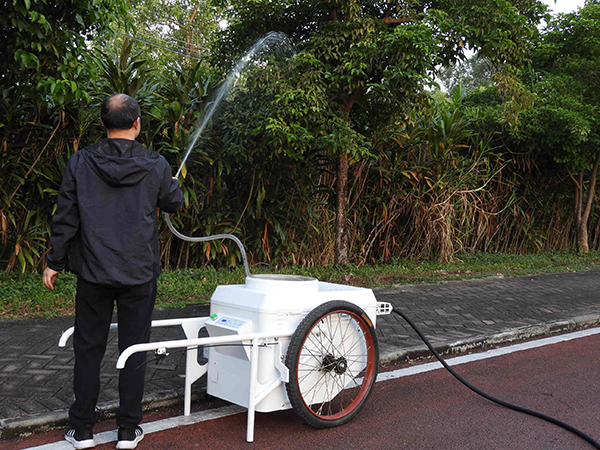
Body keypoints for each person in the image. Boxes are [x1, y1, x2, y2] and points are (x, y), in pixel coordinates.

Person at [43, 94, 183, 449]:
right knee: (134, 349)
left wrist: (55, 262)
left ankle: (82, 430)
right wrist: (172, 183)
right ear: (137, 123)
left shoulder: (80, 161)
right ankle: (127, 430)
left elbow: (65, 216)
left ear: (103, 124)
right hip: (139, 273)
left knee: (88, 349)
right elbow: (174, 202)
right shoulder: (156, 164)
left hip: (93, 272)